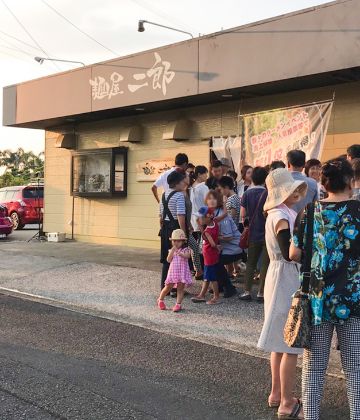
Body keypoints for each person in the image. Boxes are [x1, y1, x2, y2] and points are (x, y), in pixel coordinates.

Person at [290, 158, 360, 420]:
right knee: (354, 367)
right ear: (350, 182)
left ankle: (311, 417)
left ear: (324, 183)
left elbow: (294, 252)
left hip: (317, 299)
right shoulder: (359, 211)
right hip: (354, 299)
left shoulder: (309, 212)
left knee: (314, 367)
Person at [257, 168, 307, 419]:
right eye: (291, 189)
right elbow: (290, 251)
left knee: (279, 342)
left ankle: (276, 393)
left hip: (277, 275)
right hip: (286, 276)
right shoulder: (281, 216)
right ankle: (287, 402)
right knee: (290, 343)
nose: (296, 193)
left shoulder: (277, 212)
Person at [239, 166, 269, 302]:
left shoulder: (247, 194)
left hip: (253, 233)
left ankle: (247, 291)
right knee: (265, 264)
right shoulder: (269, 193)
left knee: (250, 263)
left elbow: (243, 214)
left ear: (253, 178)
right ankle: (261, 293)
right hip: (267, 233)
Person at [159, 171, 187, 289]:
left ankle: (165, 287)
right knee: (178, 258)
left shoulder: (163, 195)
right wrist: (183, 232)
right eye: (182, 181)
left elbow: (160, 215)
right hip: (175, 228)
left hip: (165, 228)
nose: (184, 183)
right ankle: (176, 288)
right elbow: (181, 215)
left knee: (167, 257)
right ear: (177, 183)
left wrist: (163, 228)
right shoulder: (179, 195)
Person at [158, 229, 193, 312]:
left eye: (178, 241)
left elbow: (188, 256)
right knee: (168, 287)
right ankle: (160, 299)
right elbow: (168, 260)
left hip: (182, 272)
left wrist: (181, 254)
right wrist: (172, 252)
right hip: (173, 272)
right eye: (174, 241)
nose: (176, 243)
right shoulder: (171, 250)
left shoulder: (186, 250)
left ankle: (178, 304)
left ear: (183, 241)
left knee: (180, 289)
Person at [191, 206, 221, 305]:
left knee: (212, 278)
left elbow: (212, 244)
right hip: (212, 256)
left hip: (209, 256)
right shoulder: (215, 224)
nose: (199, 219)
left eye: (201, 217)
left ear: (208, 217)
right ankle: (201, 295)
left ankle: (216, 297)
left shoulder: (207, 231)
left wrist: (217, 247)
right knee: (207, 277)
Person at [189, 165, 209, 278]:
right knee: (205, 246)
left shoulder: (191, 187)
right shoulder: (203, 187)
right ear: (200, 175)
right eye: (205, 173)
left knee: (195, 247)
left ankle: (198, 270)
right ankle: (206, 269)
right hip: (203, 219)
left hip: (193, 220)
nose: (206, 176)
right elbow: (208, 203)